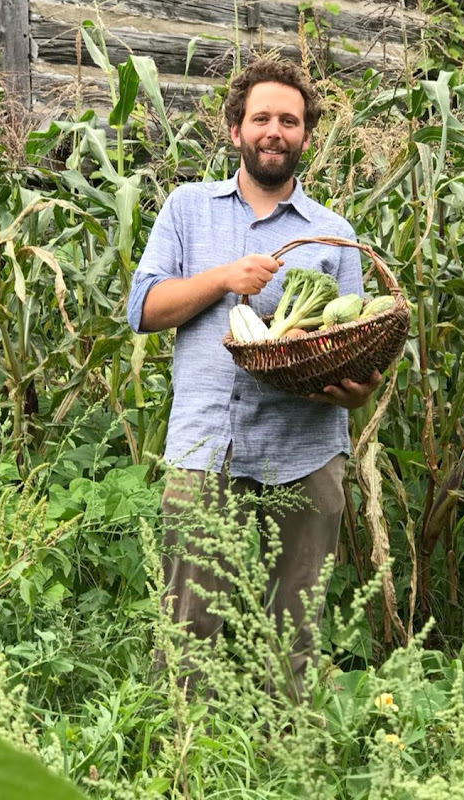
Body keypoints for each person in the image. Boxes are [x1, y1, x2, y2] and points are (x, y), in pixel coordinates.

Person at [126, 57, 380, 699]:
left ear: (306, 135)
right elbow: (143, 309)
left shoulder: (334, 234)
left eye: (289, 121)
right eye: (261, 117)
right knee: (187, 632)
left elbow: (357, 342)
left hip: (306, 450)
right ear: (235, 128)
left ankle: (283, 751)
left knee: (293, 638)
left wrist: (359, 389)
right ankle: (185, 753)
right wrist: (224, 278)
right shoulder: (188, 209)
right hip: (206, 446)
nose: (275, 131)